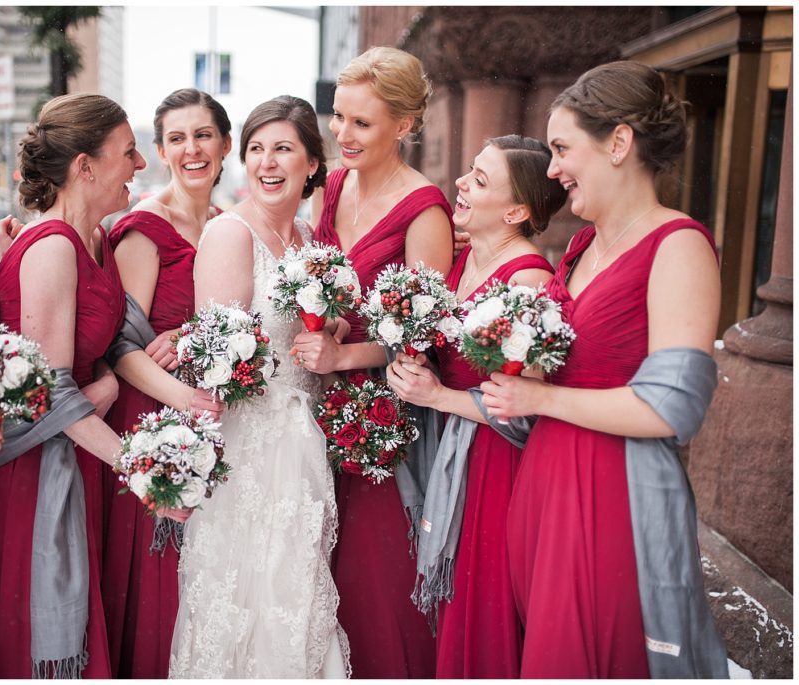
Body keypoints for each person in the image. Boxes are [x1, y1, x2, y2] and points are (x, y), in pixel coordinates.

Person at [480, 61, 728, 678]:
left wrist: (540, 401)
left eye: (563, 148)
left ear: (619, 143)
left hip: (614, 492)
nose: (553, 168)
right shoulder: (581, 246)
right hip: (544, 480)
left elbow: (673, 407)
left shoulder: (679, 246)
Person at [168, 95, 350, 678]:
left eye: (283, 149)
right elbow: (214, 357)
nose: (267, 164)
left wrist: (334, 333)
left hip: (303, 443)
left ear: (312, 164)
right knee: (240, 593)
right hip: (246, 449)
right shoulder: (229, 234)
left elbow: (324, 323)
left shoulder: (310, 241)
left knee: (297, 591)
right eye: (255, 150)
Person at [290, 46, 453, 679]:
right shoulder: (329, 188)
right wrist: (319, 329)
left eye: (362, 122)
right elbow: (315, 283)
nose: (342, 134)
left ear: (404, 125)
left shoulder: (426, 209)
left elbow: (424, 333)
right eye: (338, 116)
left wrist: (347, 352)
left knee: (374, 572)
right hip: (318, 399)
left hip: (385, 413)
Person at [386, 135, 566, 678]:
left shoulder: (527, 279)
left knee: (478, 600)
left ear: (517, 211)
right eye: (469, 170)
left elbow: (524, 407)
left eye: (480, 180)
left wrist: (437, 395)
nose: (462, 183)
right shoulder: (463, 258)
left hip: (492, 466)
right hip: (444, 445)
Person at [0, 93, 145, 678]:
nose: (141, 165)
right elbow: (47, 394)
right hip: (45, 463)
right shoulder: (52, 247)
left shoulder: (95, 241)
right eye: (129, 152)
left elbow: (89, 349)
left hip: (83, 453)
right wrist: (144, 465)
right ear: (86, 166)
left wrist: (103, 382)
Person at [101, 88, 232, 678]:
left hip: (220, 420)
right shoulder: (145, 229)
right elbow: (120, 348)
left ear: (225, 144)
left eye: (203, 135)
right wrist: (183, 397)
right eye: (177, 138)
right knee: (159, 579)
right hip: (154, 417)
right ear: (159, 151)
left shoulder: (232, 226)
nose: (192, 149)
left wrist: (191, 331)